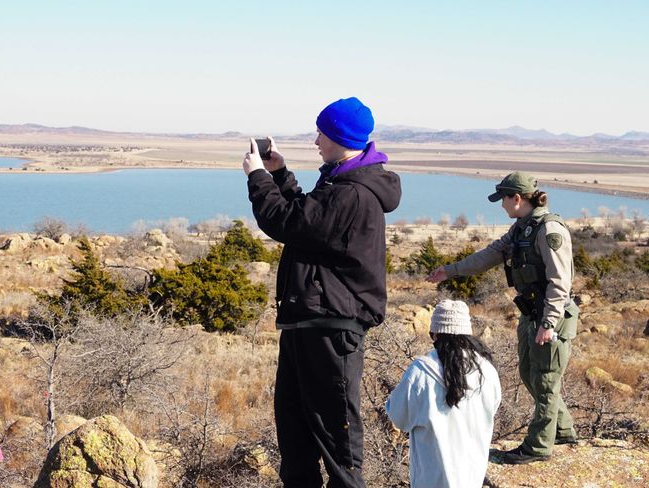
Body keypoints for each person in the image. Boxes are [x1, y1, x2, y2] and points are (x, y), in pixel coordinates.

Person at [244, 96, 401, 488]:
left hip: (332, 329)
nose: (315, 141)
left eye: (321, 133)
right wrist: (280, 175)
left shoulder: (352, 192)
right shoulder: (340, 180)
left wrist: (257, 178)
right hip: (310, 323)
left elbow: (287, 222)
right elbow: (308, 217)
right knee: (296, 440)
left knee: (338, 444)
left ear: (338, 136)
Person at [427, 171, 580, 464]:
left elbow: (560, 282)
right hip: (531, 314)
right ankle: (562, 429)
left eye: (504, 200)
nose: (502, 206)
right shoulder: (522, 229)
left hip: (550, 316)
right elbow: (490, 255)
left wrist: (549, 323)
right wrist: (451, 270)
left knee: (546, 379)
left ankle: (538, 447)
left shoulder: (549, 231)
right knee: (528, 373)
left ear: (518, 198)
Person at [385, 299, 501, 487]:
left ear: (434, 333)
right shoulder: (487, 371)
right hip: (472, 477)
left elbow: (399, 418)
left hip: (430, 479)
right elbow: (492, 409)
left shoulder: (421, 370)